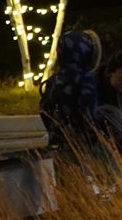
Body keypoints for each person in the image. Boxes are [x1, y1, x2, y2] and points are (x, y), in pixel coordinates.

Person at [37, 29, 103, 157]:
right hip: (82, 148)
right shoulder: (84, 80)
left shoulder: (53, 80)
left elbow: (44, 110)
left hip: (59, 146)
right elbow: (89, 117)